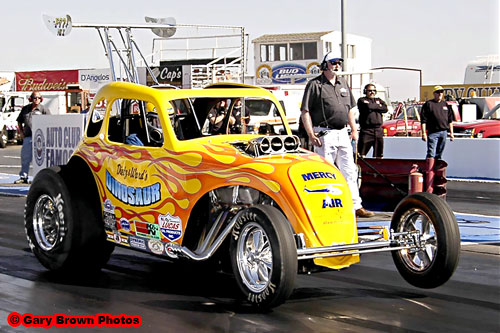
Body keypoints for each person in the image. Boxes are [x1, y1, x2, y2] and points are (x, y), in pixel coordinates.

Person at [301, 51, 374, 218]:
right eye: (334, 62)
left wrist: (354, 129)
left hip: (342, 133)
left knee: (350, 170)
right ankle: (328, 206)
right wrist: (311, 134)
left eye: (339, 63)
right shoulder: (315, 85)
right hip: (324, 133)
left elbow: (349, 109)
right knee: (326, 171)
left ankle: (356, 206)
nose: (337, 65)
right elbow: (305, 111)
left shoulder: (343, 83)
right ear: (325, 64)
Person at [421, 85, 455, 192]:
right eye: (438, 92)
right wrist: (423, 133)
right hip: (432, 132)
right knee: (431, 152)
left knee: (439, 153)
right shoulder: (429, 104)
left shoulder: (445, 105)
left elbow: (450, 120)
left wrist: (451, 133)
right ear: (434, 93)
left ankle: (436, 173)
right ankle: (429, 172)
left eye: (441, 92)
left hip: (443, 132)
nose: (440, 94)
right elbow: (423, 120)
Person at [14, 91, 50, 184]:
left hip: (40, 138)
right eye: (34, 98)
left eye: (38, 98)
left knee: (39, 159)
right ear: (30, 99)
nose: (36, 100)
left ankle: (39, 178)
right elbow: (19, 121)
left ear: (41, 99)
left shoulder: (44, 110)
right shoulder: (25, 109)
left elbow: (50, 122)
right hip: (28, 137)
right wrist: (21, 132)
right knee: (25, 157)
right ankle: (23, 176)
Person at [357, 83, 388, 158]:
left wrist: (373, 106)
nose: (372, 92)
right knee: (361, 154)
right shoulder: (361, 100)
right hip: (366, 131)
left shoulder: (379, 100)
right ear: (365, 91)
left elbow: (385, 109)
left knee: (379, 154)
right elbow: (368, 106)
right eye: (370, 90)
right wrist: (378, 106)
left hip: (378, 130)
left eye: (374, 90)